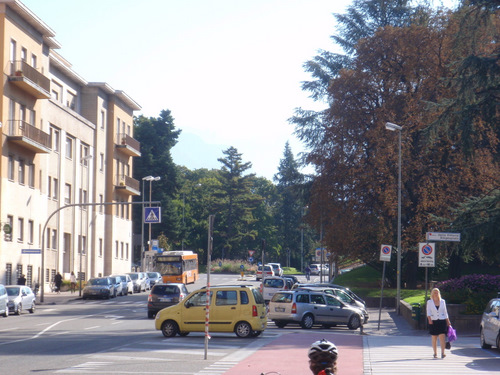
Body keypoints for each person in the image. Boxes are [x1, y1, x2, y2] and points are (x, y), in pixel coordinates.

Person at [426, 287, 451, 359]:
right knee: (434, 338)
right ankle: (435, 353)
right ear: (432, 294)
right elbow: (428, 312)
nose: (436, 294)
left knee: (442, 337)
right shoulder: (429, 302)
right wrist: (429, 320)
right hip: (433, 321)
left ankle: (443, 353)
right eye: (434, 292)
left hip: (442, 320)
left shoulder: (443, 301)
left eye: (437, 292)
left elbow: (445, 312)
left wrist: (448, 321)